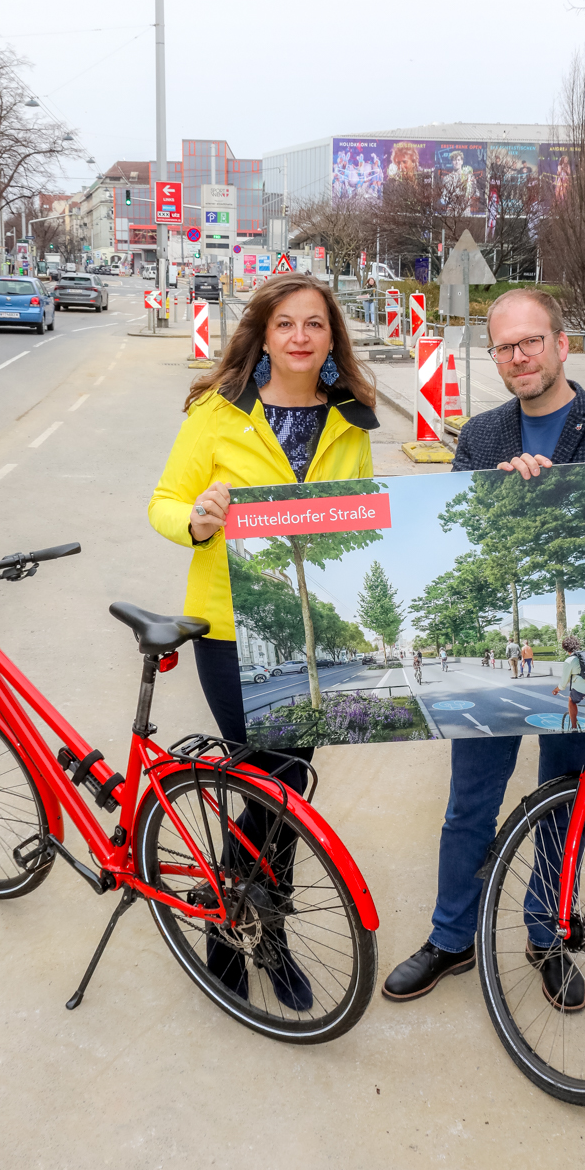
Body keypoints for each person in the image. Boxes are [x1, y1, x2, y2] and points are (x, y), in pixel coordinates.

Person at [382, 285, 585, 1011]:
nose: (518, 357)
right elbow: (451, 540)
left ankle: (544, 935)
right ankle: (450, 937)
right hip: (502, 654)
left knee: (563, 806)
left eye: (531, 342)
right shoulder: (481, 437)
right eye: (505, 346)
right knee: (468, 806)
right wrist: (495, 496)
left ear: (560, 344)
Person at [149, 273, 379, 1011]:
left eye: (315, 324)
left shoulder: (351, 418)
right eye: (286, 324)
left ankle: (261, 930)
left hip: (312, 630)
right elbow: (162, 501)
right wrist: (199, 519)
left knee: (287, 791)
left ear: (331, 339)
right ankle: (234, 931)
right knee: (263, 784)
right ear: (265, 334)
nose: (301, 337)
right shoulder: (219, 412)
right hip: (226, 624)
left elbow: (359, 519)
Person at [552, 633, 585, 729]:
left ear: (565, 648)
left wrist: (556, 690)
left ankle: (574, 727)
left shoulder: (570, 660)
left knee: (571, 701)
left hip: (581, 689)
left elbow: (563, 682)